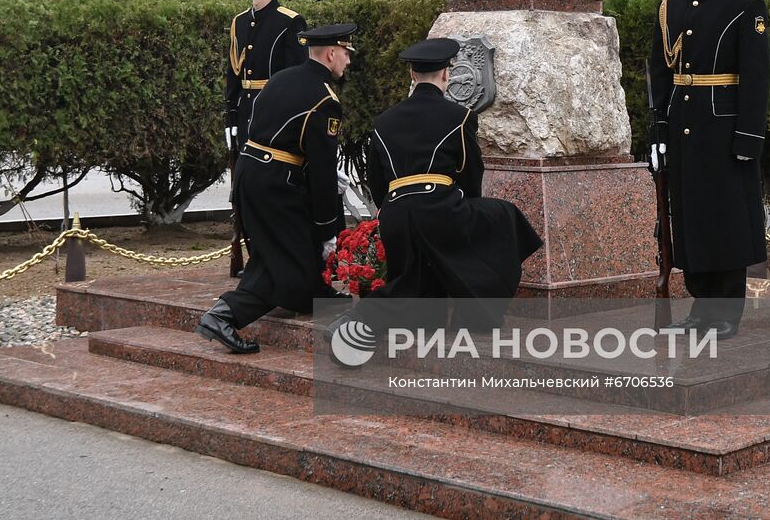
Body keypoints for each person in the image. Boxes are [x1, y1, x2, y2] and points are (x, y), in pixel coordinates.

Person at [358, 38, 543, 331]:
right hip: (440, 212)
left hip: (395, 215)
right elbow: (471, 172)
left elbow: (377, 180)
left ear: (411, 75)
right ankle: (476, 316)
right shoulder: (460, 116)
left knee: (415, 288)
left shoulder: (383, 121)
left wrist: (391, 209)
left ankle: (363, 321)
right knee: (504, 216)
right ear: (446, 75)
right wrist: (468, 210)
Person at [647, 0, 770, 340]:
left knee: (726, 220)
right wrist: (658, 134)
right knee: (691, 218)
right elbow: (660, 76)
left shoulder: (744, 4)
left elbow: (757, 78)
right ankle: (700, 308)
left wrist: (749, 137)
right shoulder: (672, 5)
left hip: (724, 130)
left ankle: (725, 314)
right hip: (684, 127)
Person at [197, 24, 356, 354]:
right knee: (289, 268)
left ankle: (321, 294)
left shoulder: (281, 78)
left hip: (250, 172)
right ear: (330, 54)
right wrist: (330, 233)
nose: (348, 62)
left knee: (276, 252)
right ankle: (224, 315)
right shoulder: (326, 100)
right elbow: (322, 173)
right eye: (346, 53)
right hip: (277, 184)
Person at [224, 0, 307, 150]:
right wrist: (231, 116)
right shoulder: (240, 21)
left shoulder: (290, 21)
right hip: (245, 114)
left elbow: (297, 77)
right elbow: (233, 73)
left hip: (275, 115)